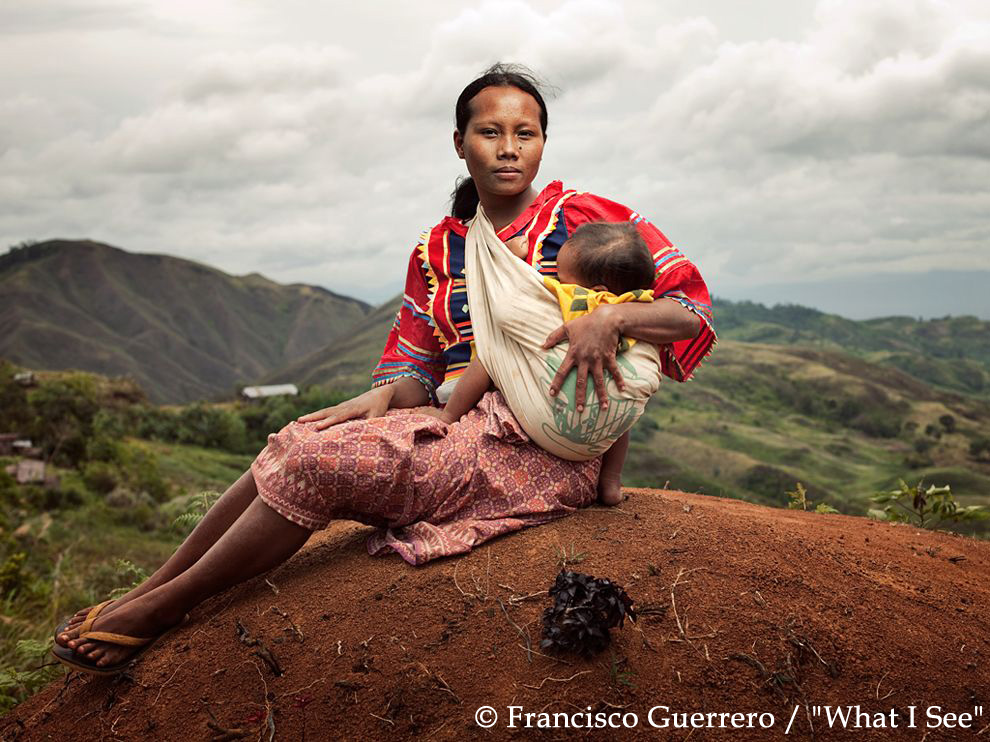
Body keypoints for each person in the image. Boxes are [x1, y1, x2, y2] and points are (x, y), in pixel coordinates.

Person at [52, 63, 716, 674]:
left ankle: (167, 607)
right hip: (461, 422)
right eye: (490, 132)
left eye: (526, 133)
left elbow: (689, 312)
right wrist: (378, 399)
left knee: (316, 465)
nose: (509, 147)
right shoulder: (439, 249)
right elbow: (419, 362)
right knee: (299, 438)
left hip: (538, 446)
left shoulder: (589, 221)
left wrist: (613, 320)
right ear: (461, 143)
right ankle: (149, 589)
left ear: (544, 142)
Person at [434, 220, 659, 505]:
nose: (559, 282)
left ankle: (447, 416)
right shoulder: (640, 305)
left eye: (564, 279)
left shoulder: (576, 297)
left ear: (597, 288)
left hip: (560, 403)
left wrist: (511, 256)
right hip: (604, 418)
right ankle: (611, 481)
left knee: (492, 355)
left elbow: (518, 291)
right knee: (620, 398)